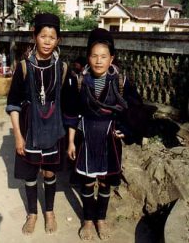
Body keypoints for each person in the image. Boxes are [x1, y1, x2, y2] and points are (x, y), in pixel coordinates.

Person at [63, 28, 143, 241]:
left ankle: (101, 219)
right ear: (88, 57)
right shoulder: (78, 81)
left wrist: (124, 130)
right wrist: (70, 142)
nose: (99, 61)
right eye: (94, 55)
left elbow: (134, 110)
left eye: (104, 56)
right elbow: (70, 113)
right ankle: (88, 220)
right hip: (86, 136)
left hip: (109, 137)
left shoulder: (121, 82)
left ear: (112, 58)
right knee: (88, 182)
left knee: (106, 182)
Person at [6, 13, 67, 235]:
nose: (48, 41)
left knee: (50, 173)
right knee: (31, 174)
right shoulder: (23, 67)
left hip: (53, 129)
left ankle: (49, 211)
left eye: (53, 36)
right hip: (29, 129)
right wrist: (18, 136)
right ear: (35, 36)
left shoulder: (62, 68)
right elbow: (13, 104)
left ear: (58, 40)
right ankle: (32, 213)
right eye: (43, 35)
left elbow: (69, 107)